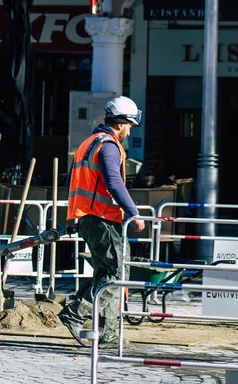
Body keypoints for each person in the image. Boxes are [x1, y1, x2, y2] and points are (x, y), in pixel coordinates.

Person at [59, 96, 146, 347]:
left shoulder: (88, 143)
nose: (129, 131)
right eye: (130, 125)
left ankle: (107, 335)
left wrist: (76, 215)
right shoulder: (109, 145)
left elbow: (71, 182)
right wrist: (133, 212)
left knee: (105, 274)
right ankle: (75, 312)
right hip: (104, 218)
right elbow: (113, 182)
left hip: (87, 217)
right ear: (121, 123)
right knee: (118, 274)